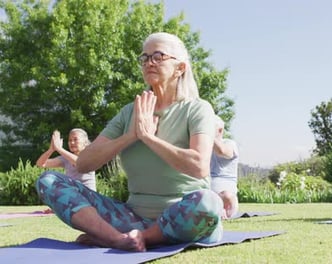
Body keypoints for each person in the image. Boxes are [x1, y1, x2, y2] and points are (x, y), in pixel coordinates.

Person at [36, 32, 223, 252]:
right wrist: (131, 135)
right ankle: (117, 239)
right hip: (131, 218)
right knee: (48, 181)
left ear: (180, 68)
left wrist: (149, 138)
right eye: (144, 58)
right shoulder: (129, 113)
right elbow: (84, 163)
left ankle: (142, 237)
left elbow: (199, 166)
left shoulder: (198, 109)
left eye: (158, 56)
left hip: (183, 218)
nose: (148, 63)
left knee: (209, 203)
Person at [210, 115, 239, 219]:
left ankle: (220, 210)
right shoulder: (201, 145)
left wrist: (207, 135)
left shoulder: (229, 143)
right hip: (205, 190)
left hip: (225, 193)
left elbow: (222, 151)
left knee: (226, 196)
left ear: (220, 130)